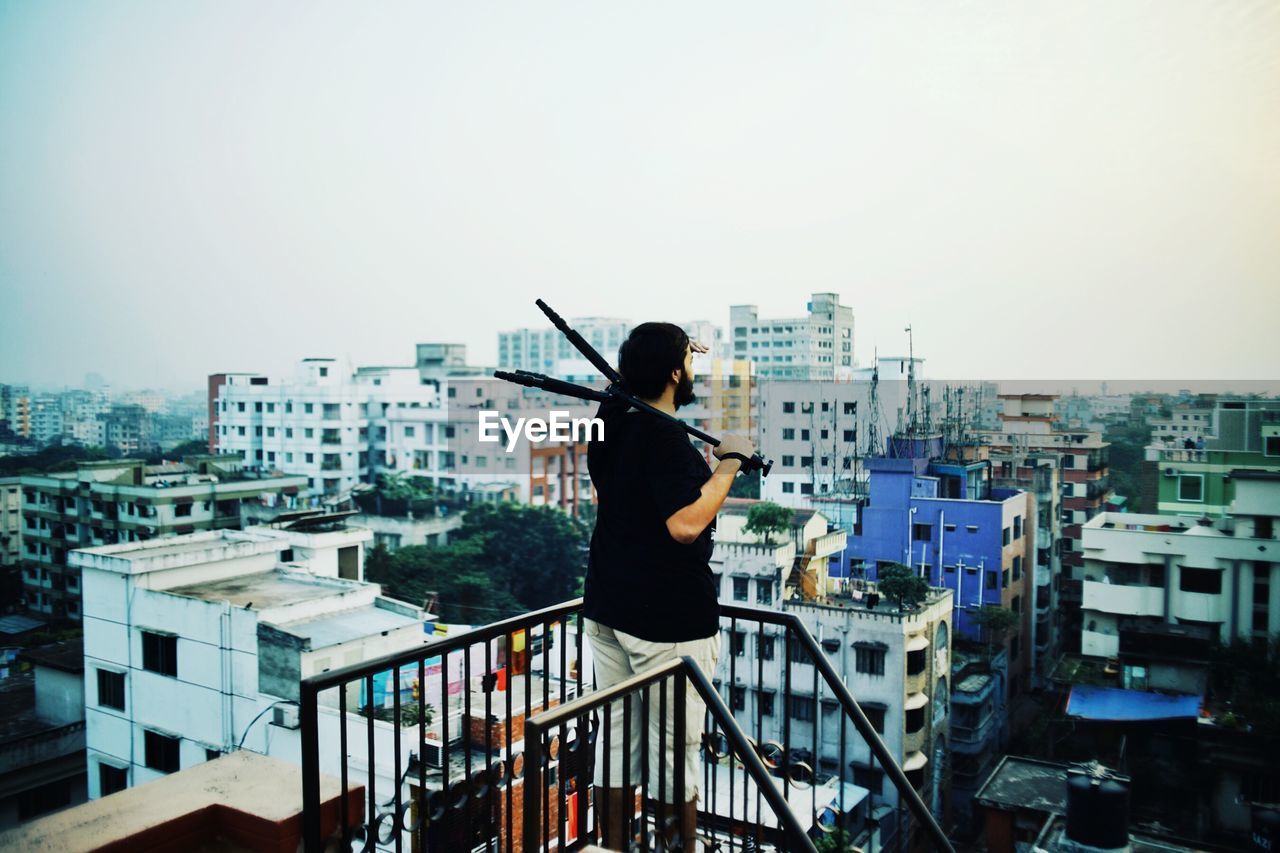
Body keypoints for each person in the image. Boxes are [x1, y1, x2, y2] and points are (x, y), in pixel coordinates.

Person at [581, 322, 755, 851]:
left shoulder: (610, 422)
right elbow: (683, 524)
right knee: (673, 748)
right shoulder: (665, 436)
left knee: (614, 737)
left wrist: (668, 343)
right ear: (676, 373)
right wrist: (728, 466)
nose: (694, 369)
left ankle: (612, 845)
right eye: (688, 361)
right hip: (667, 623)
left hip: (609, 607)